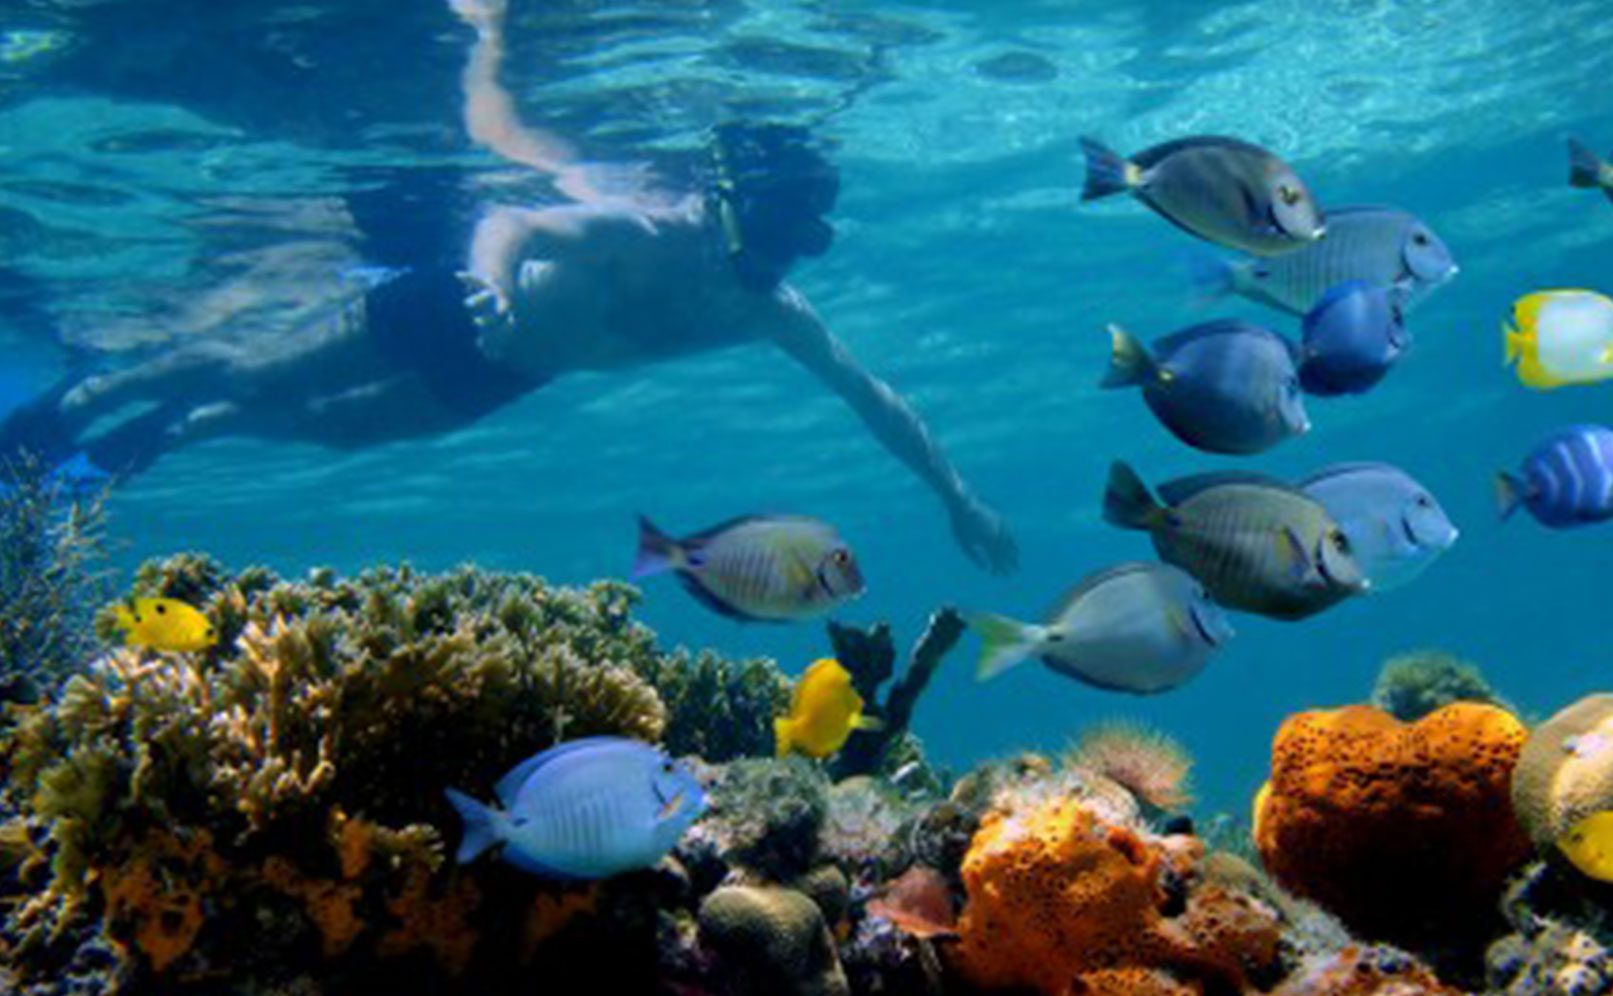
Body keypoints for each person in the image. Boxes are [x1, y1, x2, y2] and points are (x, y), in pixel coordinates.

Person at [0, 0, 1017, 574]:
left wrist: (957, 496)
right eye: (771, 238)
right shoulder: (653, 226)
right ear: (734, 206)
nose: (775, 265)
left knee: (334, 428)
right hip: (455, 303)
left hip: (511, 373)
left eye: (795, 250)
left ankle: (168, 435)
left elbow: (872, 396)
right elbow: (512, 218)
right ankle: (72, 407)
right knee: (249, 358)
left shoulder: (766, 311)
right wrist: (487, 286)